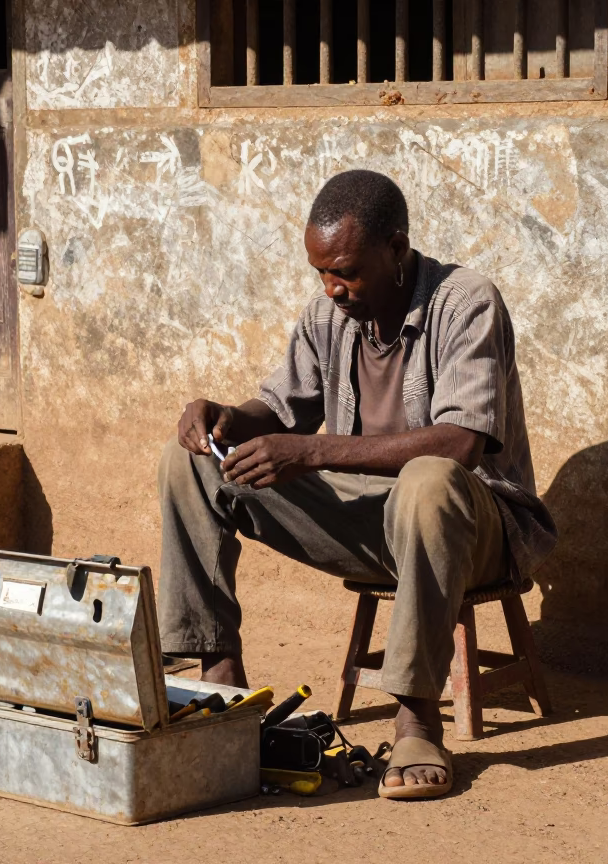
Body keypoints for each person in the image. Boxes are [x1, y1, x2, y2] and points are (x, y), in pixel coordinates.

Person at [157, 169, 556, 799]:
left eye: (344, 271)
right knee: (194, 462)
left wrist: (312, 450)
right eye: (320, 273)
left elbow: (459, 443)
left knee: (428, 479)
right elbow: (281, 408)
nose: (331, 288)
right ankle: (220, 677)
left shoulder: (467, 301)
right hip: (372, 522)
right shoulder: (327, 316)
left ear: (396, 249)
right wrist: (225, 417)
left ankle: (418, 719)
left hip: (471, 530)